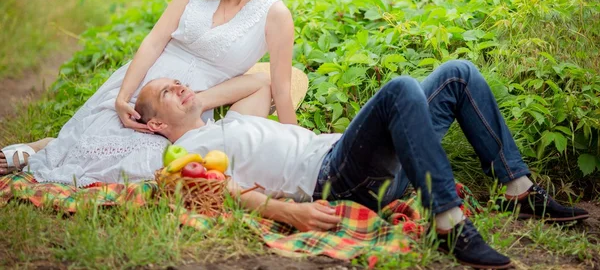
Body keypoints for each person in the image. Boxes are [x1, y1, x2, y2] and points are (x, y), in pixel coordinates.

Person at [134, 60, 589, 270]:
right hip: (334, 180)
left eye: (179, 82)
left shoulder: (234, 120)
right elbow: (211, 190)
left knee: (458, 74)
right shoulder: (183, 155)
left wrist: (196, 97)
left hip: (361, 163)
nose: (180, 88)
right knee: (400, 89)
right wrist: (286, 212)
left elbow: (261, 74)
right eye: (167, 93)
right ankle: (448, 220)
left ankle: (519, 189)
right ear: (155, 123)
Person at [0, 0, 299, 184]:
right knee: (93, 142)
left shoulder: (274, 14)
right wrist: (121, 96)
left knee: (146, 167)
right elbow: (155, 41)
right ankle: (47, 146)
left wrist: (296, 149)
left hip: (186, 103)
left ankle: (52, 146)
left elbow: (282, 90)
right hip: (147, 80)